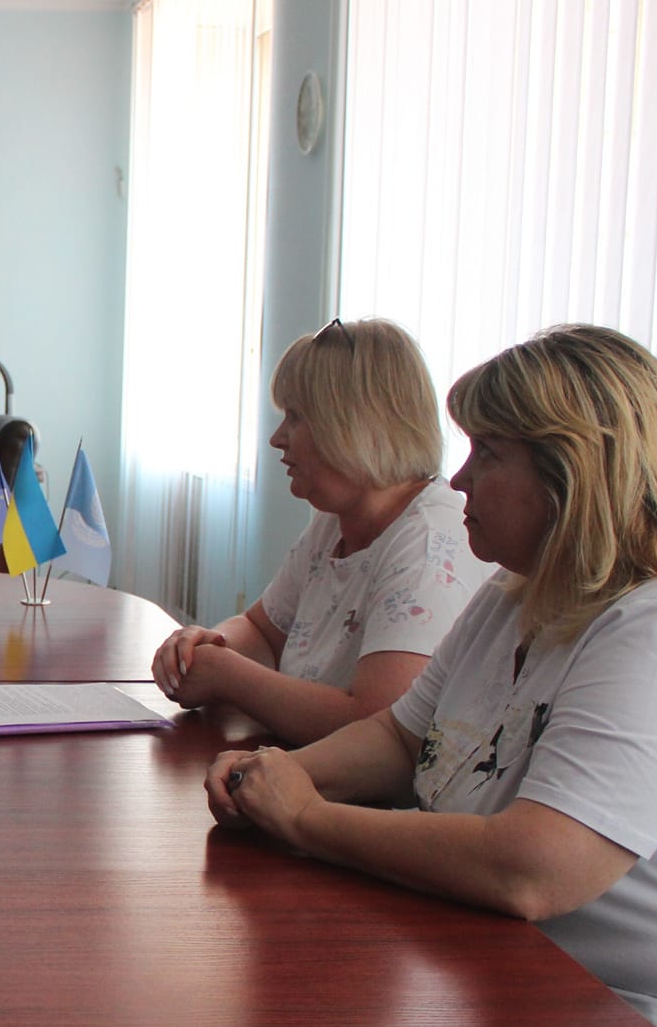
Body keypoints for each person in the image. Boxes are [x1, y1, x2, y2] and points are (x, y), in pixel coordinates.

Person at [204, 324, 657, 1027]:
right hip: (558, 1014)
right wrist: (282, 769)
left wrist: (305, 816)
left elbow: (533, 870)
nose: (459, 476)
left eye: (489, 453)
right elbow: (400, 736)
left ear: (572, 475)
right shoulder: (514, 596)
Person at [151, 318, 487, 744]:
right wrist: (207, 647)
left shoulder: (426, 545)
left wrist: (227, 675)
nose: (277, 438)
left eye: (296, 417)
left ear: (357, 425)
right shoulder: (334, 521)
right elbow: (261, 632)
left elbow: (375, 729)